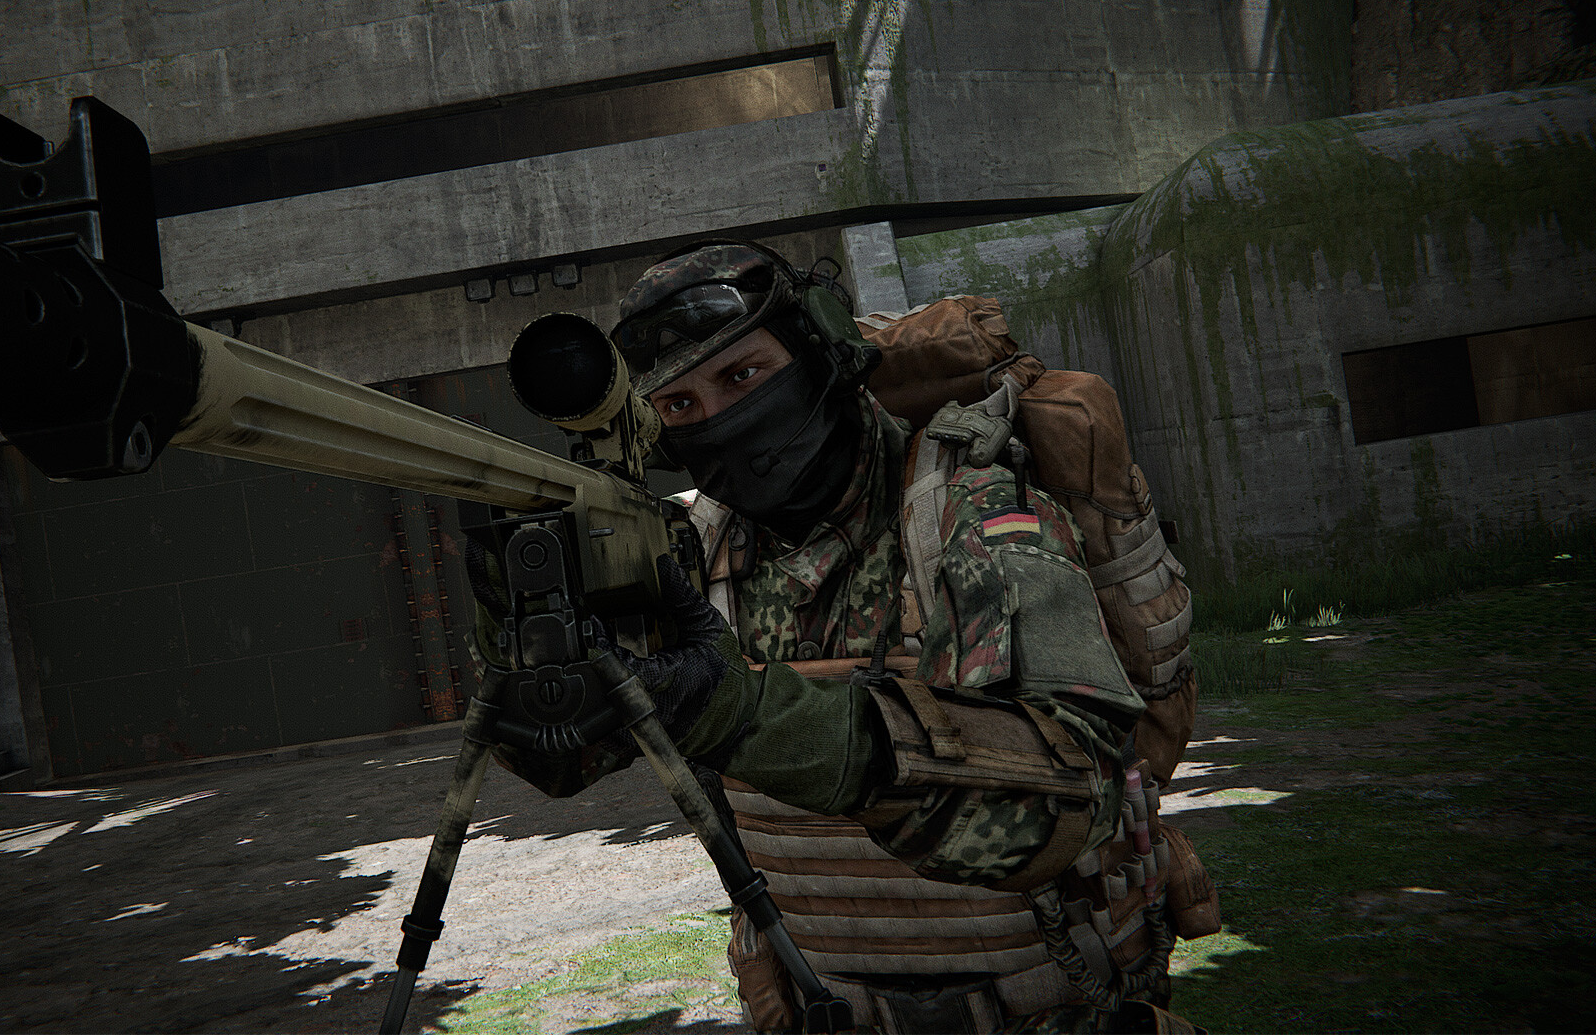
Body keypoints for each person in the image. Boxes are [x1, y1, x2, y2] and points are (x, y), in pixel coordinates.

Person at [493, 239, 1210, 1033]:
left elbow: (1072, 802)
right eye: (681, 406)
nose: (720, 419)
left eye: (743, 375)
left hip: (1052, 1005)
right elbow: (566, 762)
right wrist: (527, 648)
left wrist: (752, 718)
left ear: (821, 356)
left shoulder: (968, 508)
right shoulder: (694, 553)